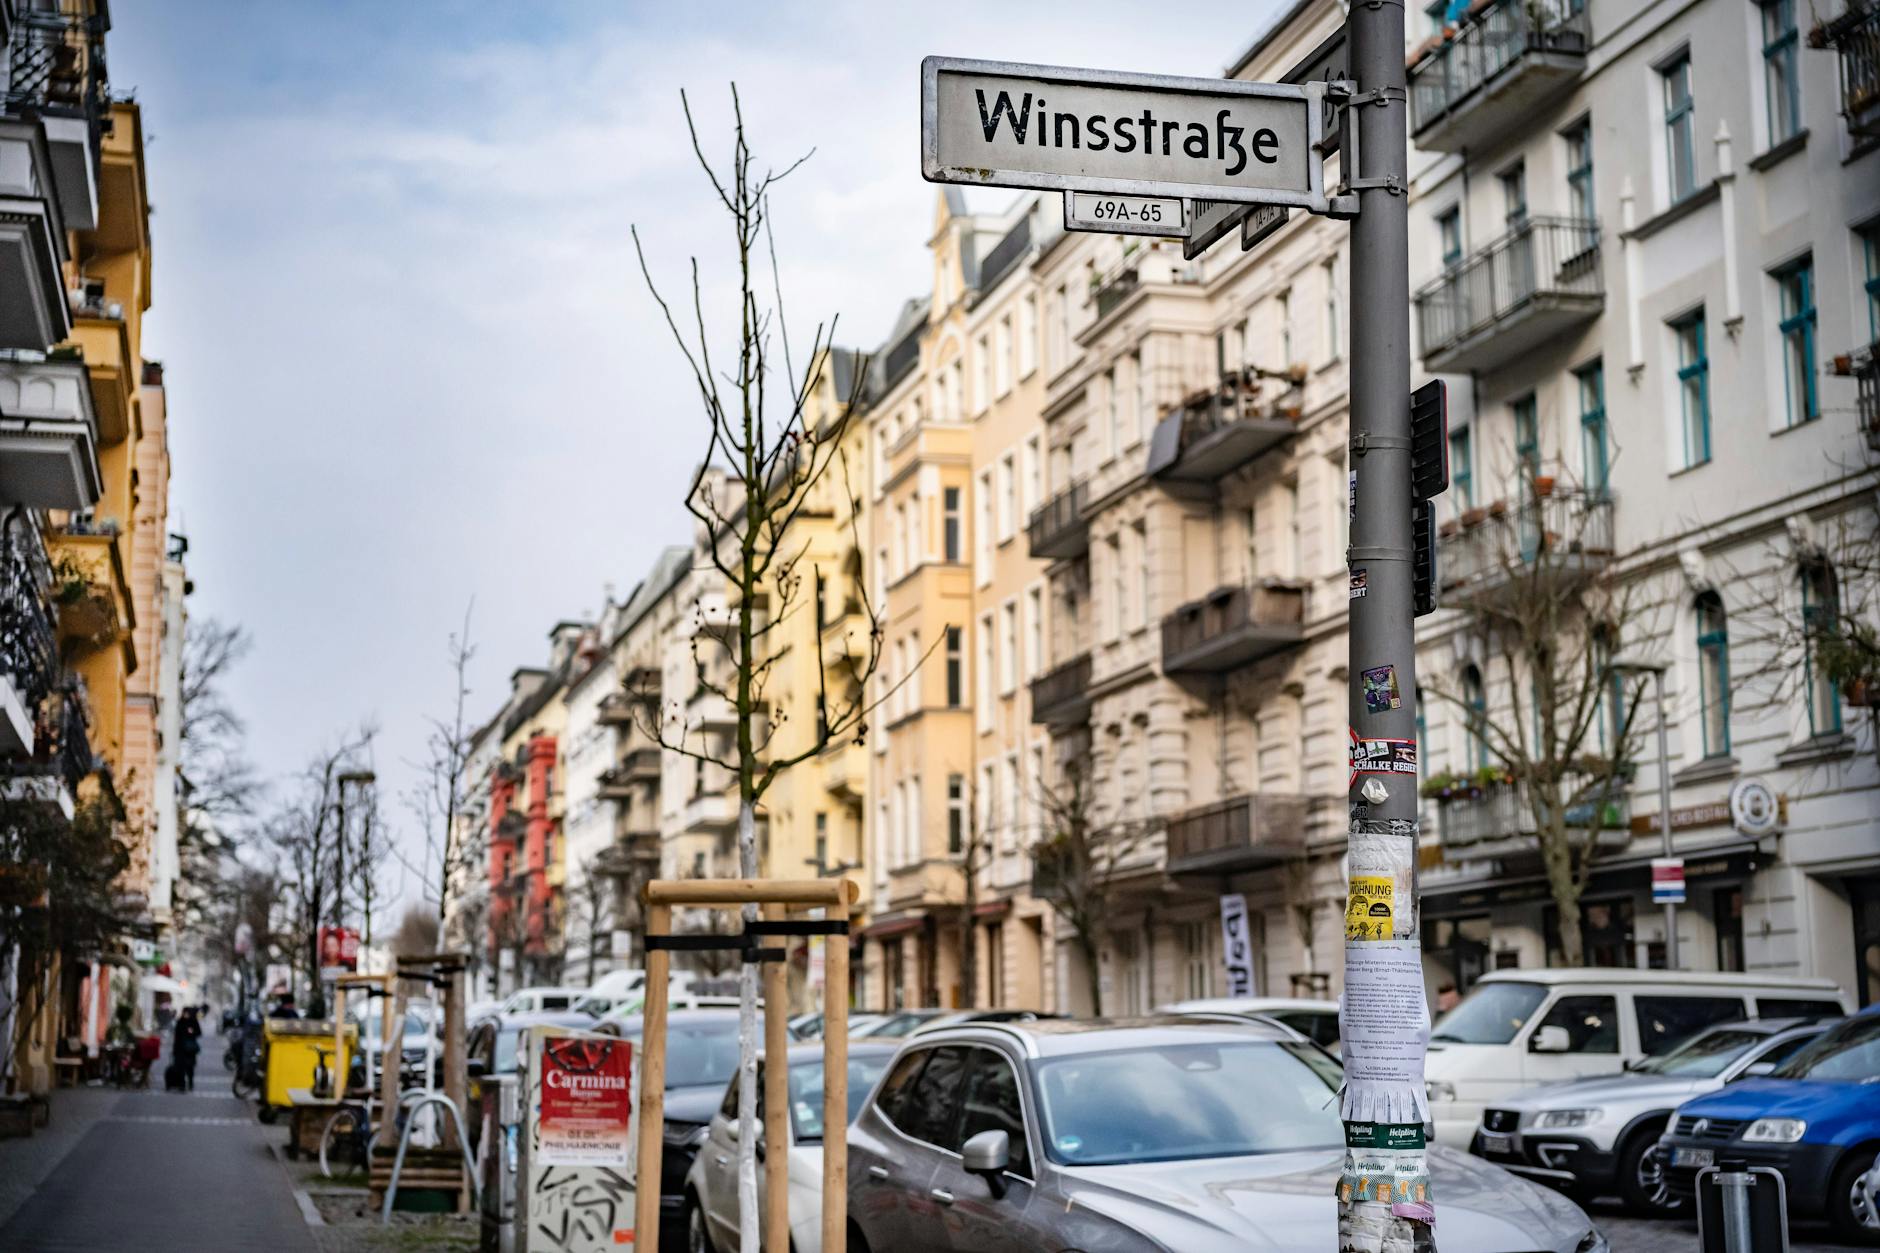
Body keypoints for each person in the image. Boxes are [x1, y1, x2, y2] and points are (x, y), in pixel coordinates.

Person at [173, 1005, 202, 1091]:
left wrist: (191, 1032)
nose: (185, 1015)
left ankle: (190, 1083)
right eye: (184, 1013)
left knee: (190, 1068)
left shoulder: (193, 1021)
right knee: (180, 1067)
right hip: (180, 1049)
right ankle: (181, 1085)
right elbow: (176, 1036)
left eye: (187, 1013)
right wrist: (174, 1049)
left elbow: (199, 1032)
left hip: (190, 1050)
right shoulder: (180, 1021)